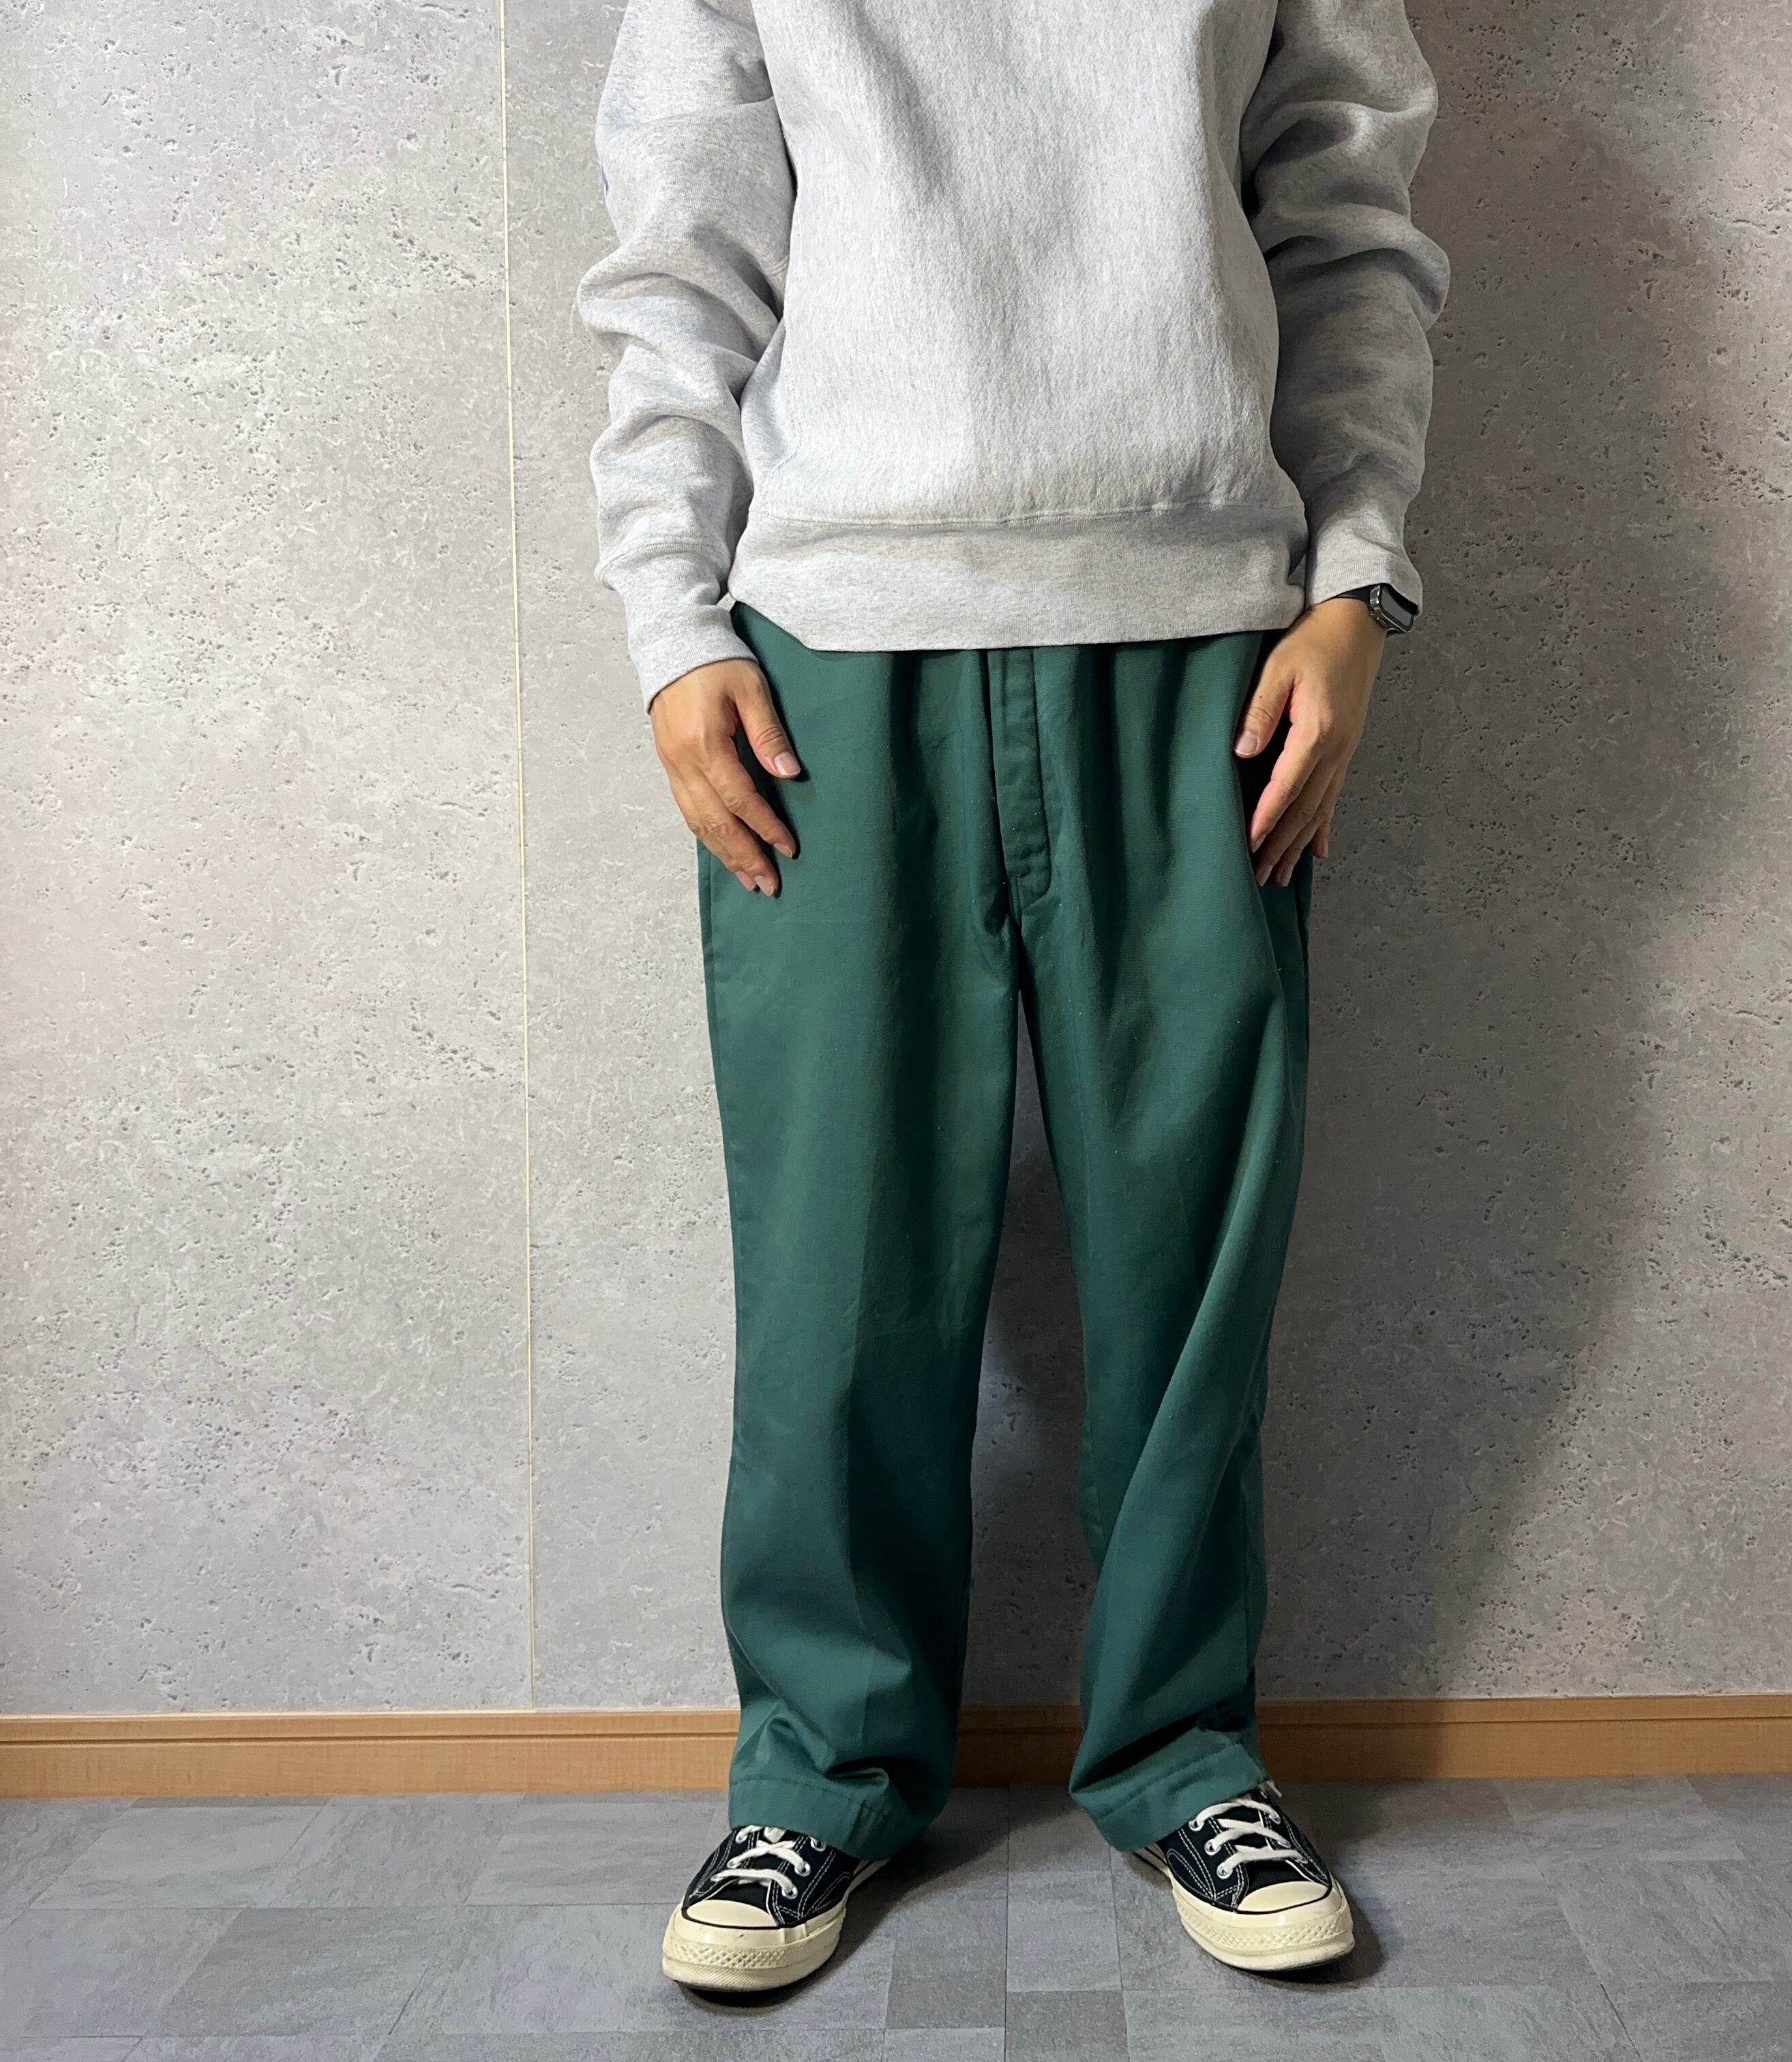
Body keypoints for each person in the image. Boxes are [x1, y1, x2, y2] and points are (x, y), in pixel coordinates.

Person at [576, 0, 1447, 1993]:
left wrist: (1356, 582)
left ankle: (1185, 1753)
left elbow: (1349, 223)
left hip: (1206, 636)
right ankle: (820, 1773)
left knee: (1190, 1257)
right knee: (837, 1263)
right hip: (826, 649)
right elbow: (682, 263)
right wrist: (669, 623)